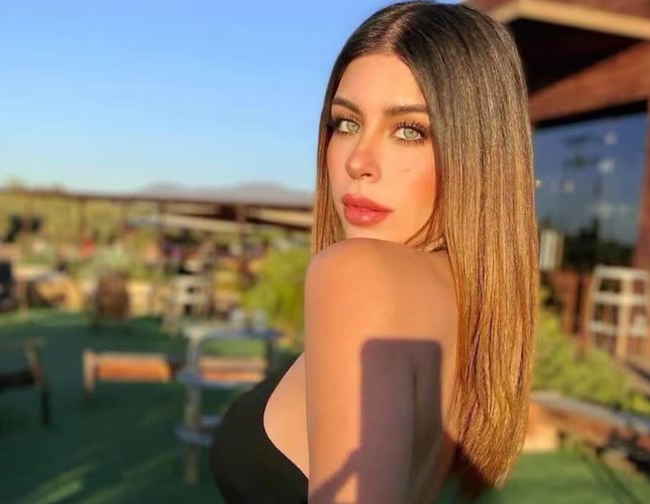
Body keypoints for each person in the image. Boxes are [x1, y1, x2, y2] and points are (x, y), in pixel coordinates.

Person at [209, 2, 537, 502]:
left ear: (478, 154)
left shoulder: (358, 276)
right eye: (345, 123)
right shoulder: (467, 309)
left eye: (410, 131)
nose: (359, 161)